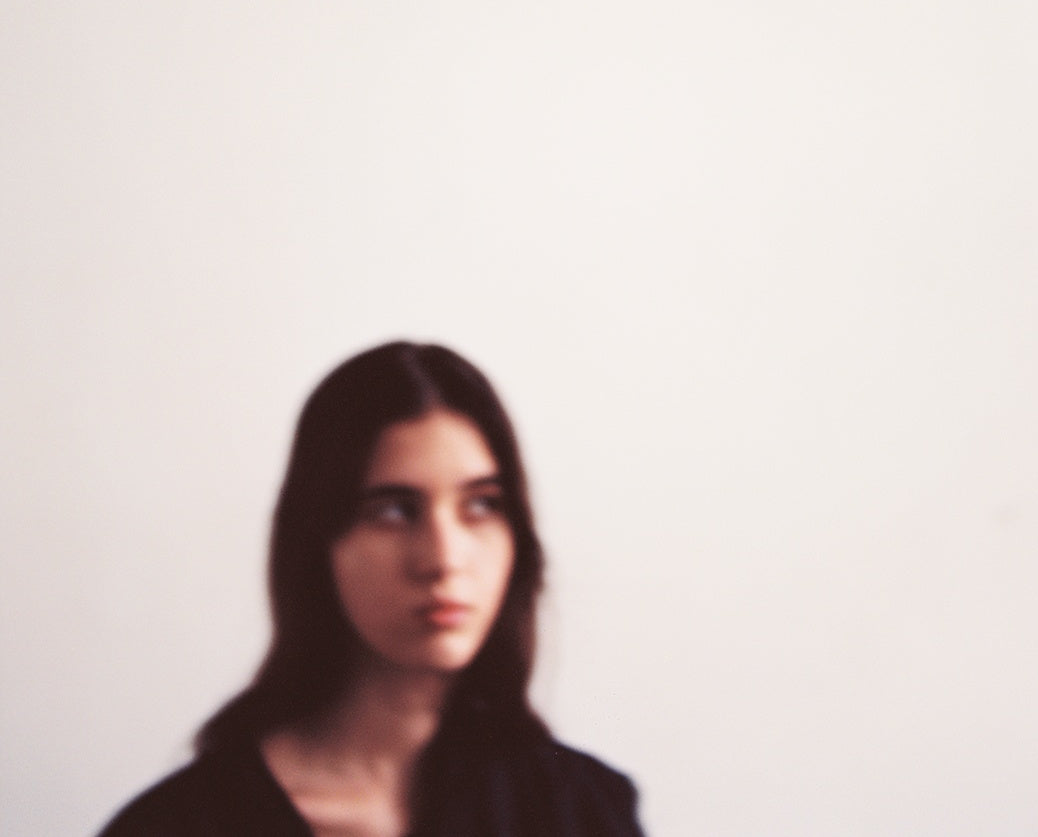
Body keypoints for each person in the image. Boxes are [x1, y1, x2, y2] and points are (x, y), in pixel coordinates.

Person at [95, 342, 645, 837]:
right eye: (394, 511)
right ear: (319, 540)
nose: (443, 559)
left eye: (481, 505)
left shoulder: (583, 810)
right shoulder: (180, 825)